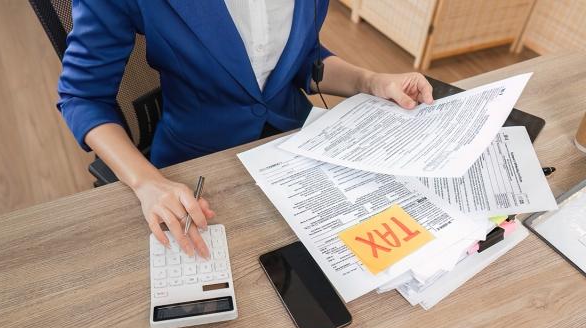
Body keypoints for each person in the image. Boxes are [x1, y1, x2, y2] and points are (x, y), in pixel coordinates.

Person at [57, 0, 434, 258]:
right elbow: (83, 96)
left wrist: (372, 81)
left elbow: (303, 58)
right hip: (201, 171)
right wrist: (146, 183)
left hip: (297, 148)